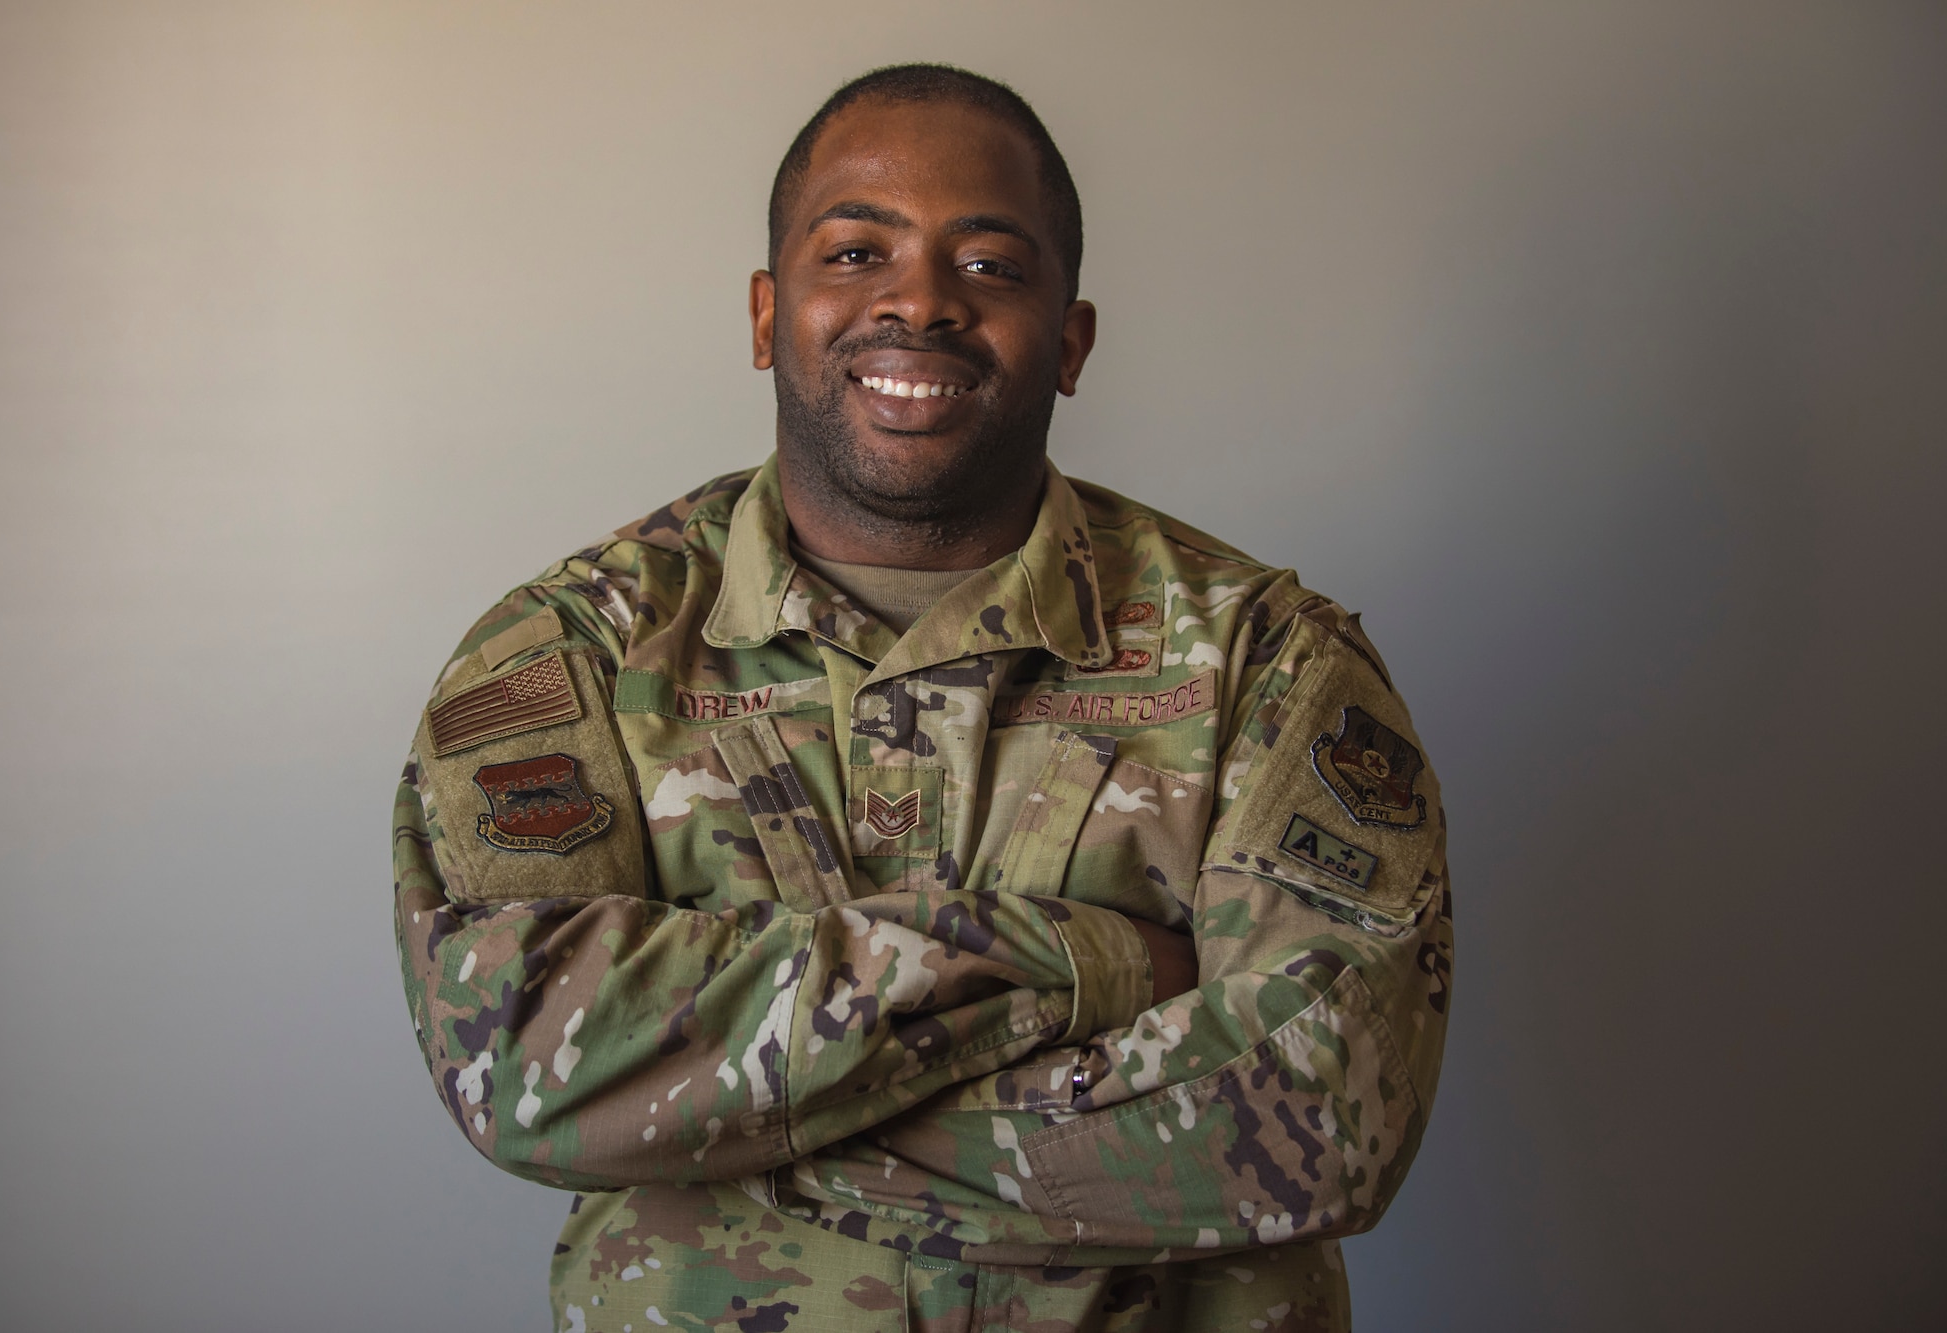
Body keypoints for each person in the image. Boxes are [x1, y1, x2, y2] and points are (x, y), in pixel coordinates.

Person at [392, 63, 1452, 1333]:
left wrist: (723, 1129)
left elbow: (1323, 1116)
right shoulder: (573, 650)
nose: (919, 301)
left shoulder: (1261, 657)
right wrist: (1090, 962)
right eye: (855, 252)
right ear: (766, 314)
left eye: (989, 266)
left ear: (1069, 342)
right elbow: (521, 1057)